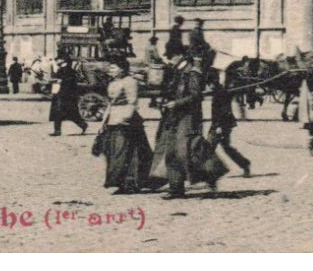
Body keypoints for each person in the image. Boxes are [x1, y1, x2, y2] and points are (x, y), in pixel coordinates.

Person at [150, 52, 225, 198]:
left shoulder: (192, 73)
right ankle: (176, 189)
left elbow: (196, 96)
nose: (169, 59)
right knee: (171, 151)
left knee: (185, 152)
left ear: (181, 56)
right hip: (174, 117)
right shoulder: (177, 71)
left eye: (172, 56)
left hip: (188, 118)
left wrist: (176, 103)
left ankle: (211, 174)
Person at [99, 59, 152, 194]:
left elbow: (132, 102)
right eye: (110, 68)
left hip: (127, 121)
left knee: (129, 153)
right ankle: (120, 182)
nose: (111, 70)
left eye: (114, 67)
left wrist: (125, 118)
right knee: (114, 151)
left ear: (122, 69)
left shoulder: (130, 81)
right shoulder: (113, 83)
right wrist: (103, 122)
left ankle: (130, 183)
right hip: (113, 120)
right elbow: (110, 104)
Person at [208, 69, 251, 176]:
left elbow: (224, 110)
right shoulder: (219, 90)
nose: (209, 87)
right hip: (223, 124)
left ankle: (207, 173)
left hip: (222, 125)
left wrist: (218, 126)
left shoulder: (220, 92)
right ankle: (245, 164)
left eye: (209, 84)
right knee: (226, 148)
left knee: (208, 148)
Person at [50, 52, 87, 136]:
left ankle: (83, 125)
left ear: (63, 60)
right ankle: (57, 131)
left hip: (67, 95)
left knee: (71, 113)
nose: (56, 61)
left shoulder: (69, 70)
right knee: (58, 112)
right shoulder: (61, 69)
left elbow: (70, 82)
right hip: (59, 93)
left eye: (58, 59)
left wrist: (61, 81)